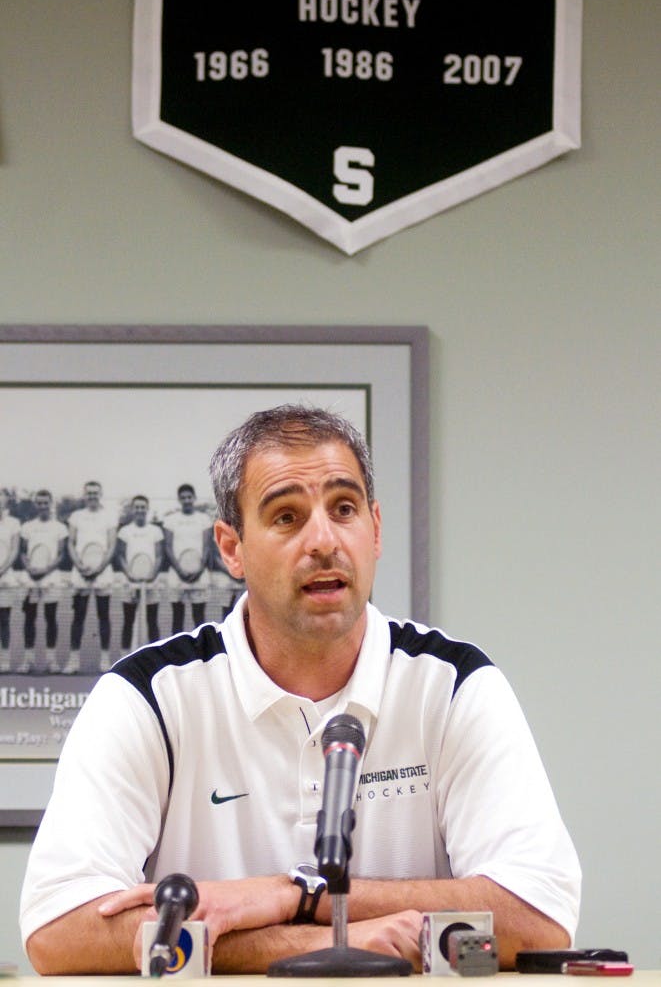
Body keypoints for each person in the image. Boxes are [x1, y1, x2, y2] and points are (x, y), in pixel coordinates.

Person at [20, 405, 581, 976]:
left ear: (376, 528)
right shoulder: (148, 697)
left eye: (344, 509)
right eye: (287, 517)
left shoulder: (455, 685)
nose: (323, 540)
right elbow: (59, 930)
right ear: (231, 548)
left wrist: (294, 895)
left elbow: (539, 914)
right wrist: (325, 941)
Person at [64, 481, 117, 674]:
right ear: (84, 495)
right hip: (80, 572)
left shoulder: (109, 516)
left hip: (103, 573)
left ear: (100, 494)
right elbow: (71, 542)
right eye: (89, 493)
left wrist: (99, 568)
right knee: (78, 617)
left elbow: (111, 545)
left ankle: (105, 660)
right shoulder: (76, 516)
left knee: (104, 616)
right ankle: (73, 661)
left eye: (95, 493)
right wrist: (80, 566)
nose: (92, 496)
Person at [18, 489, 69, 673]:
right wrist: (30, 568)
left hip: (51, 579)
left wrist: (46, 570)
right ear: (35, 505)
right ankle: (28, 661)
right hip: (30, 579)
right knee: (29, 619)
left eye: (45, 503)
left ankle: (51, 662)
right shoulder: (27, 527)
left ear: (50, 503)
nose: (42, 506)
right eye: (39, 503)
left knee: (50, 618)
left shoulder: (60, 528)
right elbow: (23, 552)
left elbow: (61, 554)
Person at [116, 495, 165, 653]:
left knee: (152, 621)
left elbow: (159, 556)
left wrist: (152, 574)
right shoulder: (124, 531)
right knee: (128, 620)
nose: (140, 510)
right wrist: (129, 573)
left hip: (151, 582)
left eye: (143, 507)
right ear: (132, 509)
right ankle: (124, 657)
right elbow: (121, 556)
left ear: (147, 509)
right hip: (130, 581)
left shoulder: (156, 531)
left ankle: (155, 658)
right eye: (137, 507)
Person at [163, 483, 213, 633]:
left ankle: (202, 655)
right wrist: (180, 571)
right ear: (179, 499)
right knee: (177, 618)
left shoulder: (204, 519)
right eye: (183, 497)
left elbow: (207, 546)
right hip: (177, 576)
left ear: (194, 498)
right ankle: (178, 655)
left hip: (199, 575)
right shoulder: (170, 520)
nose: (186, 500)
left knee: (199, 618)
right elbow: (168, 547)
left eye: (189, 497)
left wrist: (198, 570)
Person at [0, 488, 20, 672]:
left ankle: (4, 661)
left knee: (3, 620)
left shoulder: (13, 523)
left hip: (5, 579)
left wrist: (2, 570)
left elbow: (14, 550)